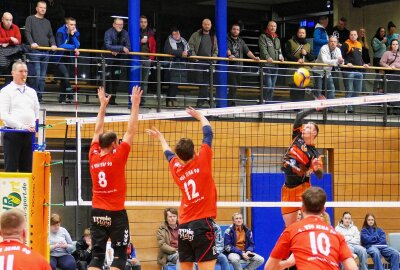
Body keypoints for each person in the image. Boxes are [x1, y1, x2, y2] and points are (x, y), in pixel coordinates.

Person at [146, 107, 218, 270]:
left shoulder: (177, 169)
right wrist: (200, 116)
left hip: (184, 226)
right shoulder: (203, 161)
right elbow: (208, 134)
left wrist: (161, 138)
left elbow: (169, 155)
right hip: (202, 224)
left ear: (181, 156)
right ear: (194, 151)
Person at [88, 85, 142, 270]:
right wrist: (135, 104)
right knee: (119, 257)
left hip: (97, 212)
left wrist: (102, 105)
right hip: (116, 213)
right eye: (117, 142)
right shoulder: (118, 157)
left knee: (96, 257)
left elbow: (97, 129)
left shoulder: (93, 154)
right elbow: (131, 130)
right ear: (113, 144)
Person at [264, 187, 358, 270]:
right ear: (323, 209)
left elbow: (269, 267)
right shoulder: (337, 235)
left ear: (302, 208)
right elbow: (352, 267)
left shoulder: (291, 230)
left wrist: (288, 263)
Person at [280, 107, 324, 227]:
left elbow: (320, 175)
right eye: (305, 127)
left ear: (314, 133)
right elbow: (299, 115)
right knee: (289, 227)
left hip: (302, 190)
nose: (305, 128)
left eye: (309, 127)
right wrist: (315, 107)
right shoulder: (297, 137)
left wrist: (316, 168)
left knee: (305, 224)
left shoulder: (315, 154)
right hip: (287, 190)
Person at [0, 60, 40, 172]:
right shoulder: (6, 91)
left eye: (26, 71)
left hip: (29, 135)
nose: (24, 74)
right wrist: (21, 126)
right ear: (13, 73)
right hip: (12, 134)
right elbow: (4, 115)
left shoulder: (32, 92)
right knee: (11, 168)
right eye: (21, 71)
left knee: (27, 169)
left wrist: (34, 125)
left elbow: (37, 112)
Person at [25, 0, 57, 102]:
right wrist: (31, 43)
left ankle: (39, 97)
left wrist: (53, 44)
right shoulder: (30, 19)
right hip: (35, 51)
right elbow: (27, 32)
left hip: (46, 51)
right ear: (37, 8)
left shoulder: (47, 22)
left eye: (45, 8)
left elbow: (51, 35)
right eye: (41, 7)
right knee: (37, 76)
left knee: (42, 77)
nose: (43, 9)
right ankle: (34, 97)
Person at [188, 18, 219, 108]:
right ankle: (208, 100)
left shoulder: (213, 36)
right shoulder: (195, 35)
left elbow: (216, 50)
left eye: (208, 24)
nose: (206, 26)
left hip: (209, 63)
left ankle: (201, 101)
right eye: (205, 24)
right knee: (201, 82)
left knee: (207, 82)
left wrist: (213, 60)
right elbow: (190, 47)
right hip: (198, 62)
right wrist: (195, 59)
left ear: (211, 25)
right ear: (202, 25)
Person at [227, 23, 259, 106]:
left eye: (237, 29)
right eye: (234, 29)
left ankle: (231, 100)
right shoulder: (226, 39)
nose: (235, 31)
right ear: (231, 30)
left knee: (235, 85)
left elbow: (247, 51)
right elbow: (227, 49)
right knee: (232, 85)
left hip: (239, 66)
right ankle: (231, 102)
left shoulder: (241, 41)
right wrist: (230, 55)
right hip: (230, 66)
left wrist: (254, 57)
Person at [104, 18, 131, 105]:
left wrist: (117, 50)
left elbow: (128, 47)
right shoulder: (108, 32)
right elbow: (108, 45)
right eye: (118, 24)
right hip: (107, 59)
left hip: (118, 60)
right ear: (114, 24)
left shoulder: (125, 33)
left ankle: (113, 99)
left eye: (121, 24)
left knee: (116, 79)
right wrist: (121, 48)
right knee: (107, 79)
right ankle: (106, 100)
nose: (120, 26)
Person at [341, 30, 370, 113]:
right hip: (348, 71)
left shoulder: (359, 44)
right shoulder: (345, 44)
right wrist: (346, 63)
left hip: (359, 71)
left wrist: (364, 64)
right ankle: (348, 108)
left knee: (358, 90)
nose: (353, 36)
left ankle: (352, 106)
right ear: (349, 36)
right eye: (351, 35)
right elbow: (340, 57)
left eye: (354, 35)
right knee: (349, 89)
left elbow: (359, 58)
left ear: (357, 36)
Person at [285, 26, 315, 101]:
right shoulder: (290, 42)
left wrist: (306, 53)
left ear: (305, 34)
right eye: (300, 32)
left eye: (303, 33)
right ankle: (295, 107)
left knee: (303, 89)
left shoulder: (308, 45)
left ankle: (301, 107)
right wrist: (297, 60)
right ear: (297, 33)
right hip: (294, 70)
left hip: (304, 72)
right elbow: (287, 55)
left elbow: (312, 58)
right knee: (294, 89)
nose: (301, 34)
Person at [54, 17, 80, 103]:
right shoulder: (60, 31)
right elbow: (60, 45)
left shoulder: (74, 32)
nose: (73, 26)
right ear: (67, 25)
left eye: (74, 25)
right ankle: (70, 94)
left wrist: (73, 35)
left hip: (68, 58)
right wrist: (73, 48)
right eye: (71, 24)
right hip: (59, 58)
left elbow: (78, 44)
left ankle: (62, 99)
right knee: (66, 75)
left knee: (64, 78)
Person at [163, 26, 190, 107]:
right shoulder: (169, 41)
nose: (177, 35)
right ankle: (170, 100)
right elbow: (168, 50)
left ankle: (173, 99)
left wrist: (187, 53)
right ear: (172, 35)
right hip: (173, 65)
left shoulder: (184, 41)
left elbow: (190, 51)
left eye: (177, 33)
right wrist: (181, 53)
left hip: (181, 65)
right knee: (172, 83)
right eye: (174, 34)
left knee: (176, 83)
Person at [259, 20, 284, 102]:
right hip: (266, 65)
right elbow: (263, 49)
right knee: (269, 85)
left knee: (272, 86)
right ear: (267, 27)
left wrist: (281, 57)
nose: (273, 27)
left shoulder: (277, 39)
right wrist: (267, 57)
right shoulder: (263, 37)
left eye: (274, 26)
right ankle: (263, 99)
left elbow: (279, 50)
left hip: (276, 65)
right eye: (271, 26)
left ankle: (269, 102)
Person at [313, 36, 344, 100]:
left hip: (327, 72)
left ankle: (331, 108)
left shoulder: (338, 50)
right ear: (328, 42)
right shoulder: (324, 48)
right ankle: (317, 107)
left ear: (337, 43)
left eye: (334, 41)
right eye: (331, 41)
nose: (333, 43)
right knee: (318, 89)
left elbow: (341, 62)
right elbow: (325, 61)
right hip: (318, 70)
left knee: (331, 88)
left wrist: (340, 61)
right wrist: (337, 61)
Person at [0, 12, 22, 83]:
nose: (9, 22)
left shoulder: (15, 27)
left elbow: (18, 41)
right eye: (7, 20)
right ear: (2, 19)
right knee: (4, 67)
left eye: (10, 20)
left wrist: (7, 42)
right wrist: (11, 38)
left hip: (13, 52)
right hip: (2, 52)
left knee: (14, 70)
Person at [139, 15, 156, 105]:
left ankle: (143, 101)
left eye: (145, 22)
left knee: (144, 82)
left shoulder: (150, 34)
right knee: (137, 81)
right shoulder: (135, 32)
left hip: (146, 60)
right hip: (136, 59)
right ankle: (136, 101)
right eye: (141, 22)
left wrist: (151, 59)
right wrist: (140, 42)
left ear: (147, 23)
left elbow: (153, 48)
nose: (143, 24)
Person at [371, 27, 387, 93]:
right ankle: (375, 90)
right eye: (381, 31)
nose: (382, 33)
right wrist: (382, 42)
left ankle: (380, 90)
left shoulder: (384, 39)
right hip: (377, 59)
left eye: (384, 31)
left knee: (382, 75)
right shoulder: (375, 39)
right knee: (379, 74)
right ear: (378, 32)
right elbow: (375, 48)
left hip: (384, 60)